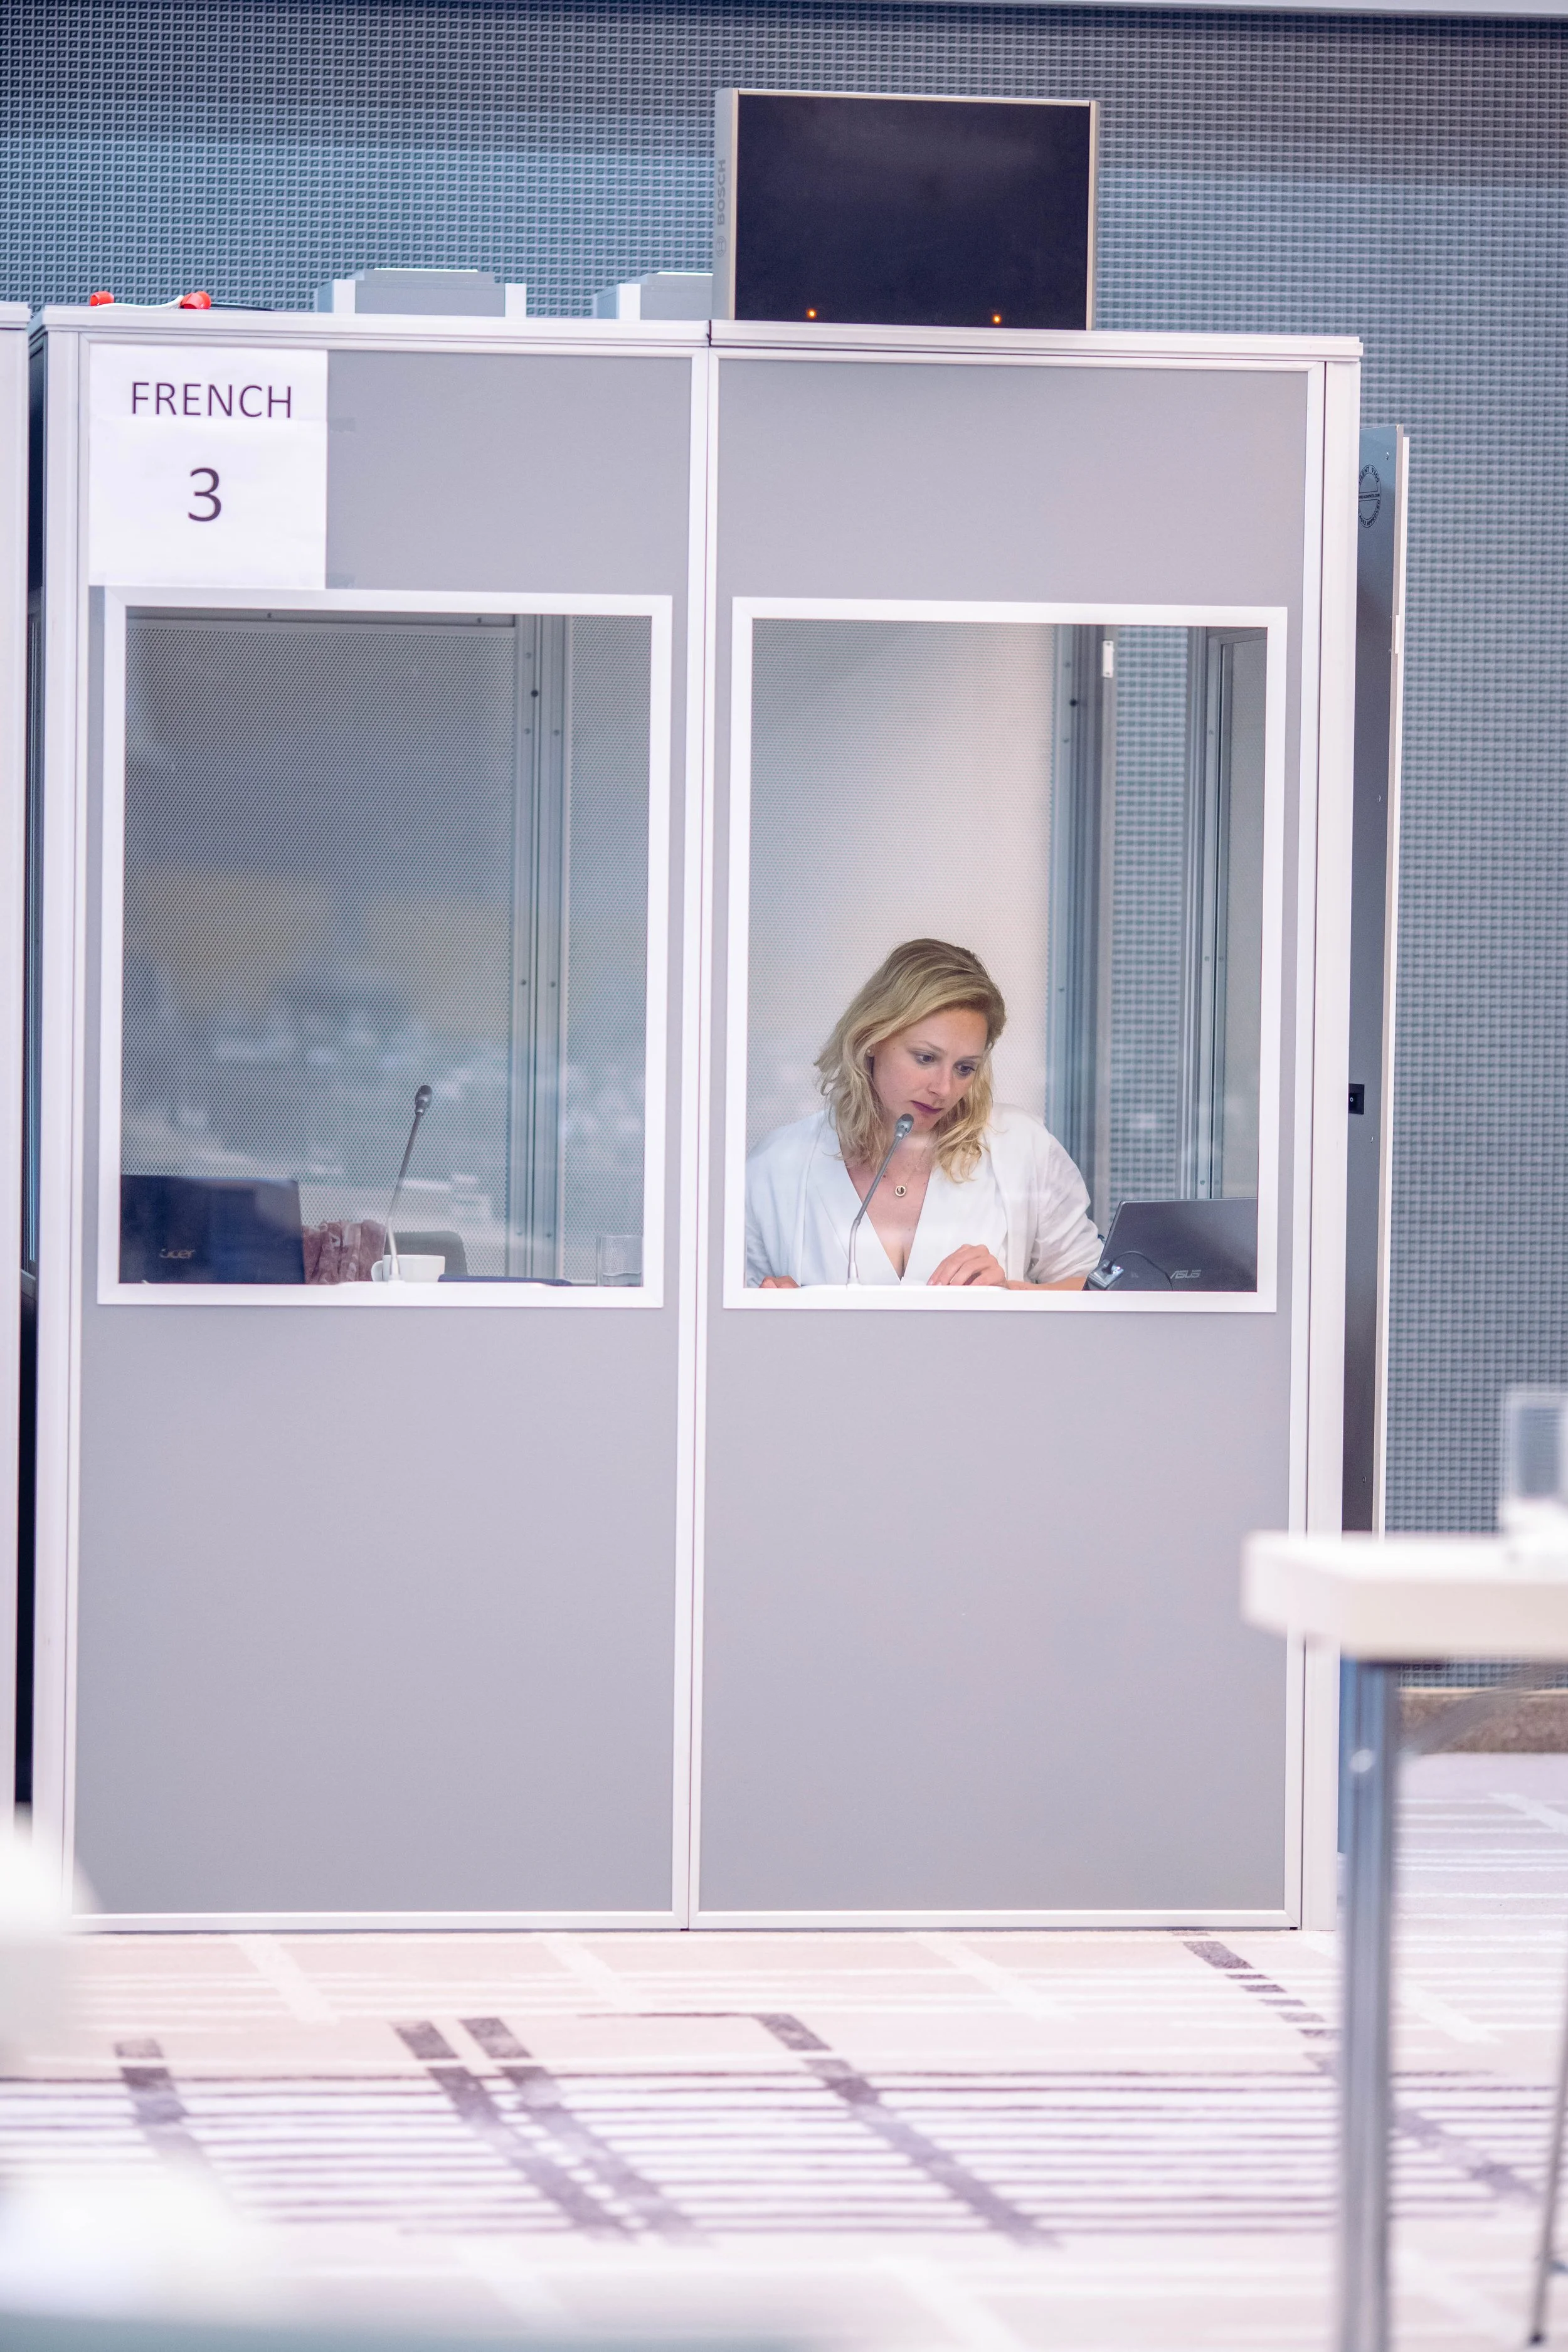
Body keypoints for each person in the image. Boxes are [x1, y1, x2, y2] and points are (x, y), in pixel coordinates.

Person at [744, 938, 1102, 1290]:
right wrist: (776, 1313)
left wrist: (1011, 1296)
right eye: (926, 1058)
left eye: (965, 1068)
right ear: (872, 1039)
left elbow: (1105, 1289)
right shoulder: (776, 1167)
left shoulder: (1021, 1146)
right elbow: (719, 1320)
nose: (944, 1089)